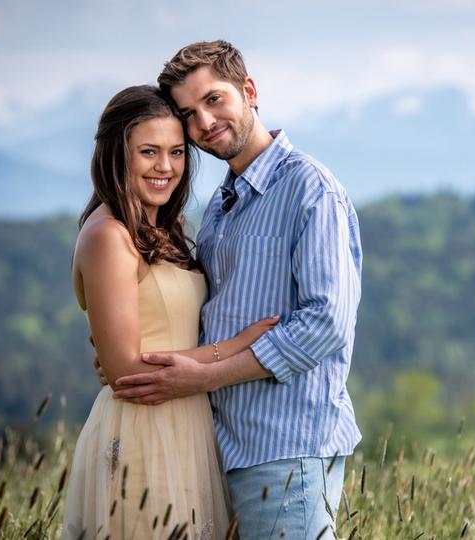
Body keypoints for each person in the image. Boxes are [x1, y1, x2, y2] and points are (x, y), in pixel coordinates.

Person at [107, 41, 363, 539]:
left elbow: (325, 323)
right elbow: (210, 314)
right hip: (219, 446)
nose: (203, 122)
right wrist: (137, 358)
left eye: (214, 99)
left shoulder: (309, 189)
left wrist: (205, 377)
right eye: (189, 113)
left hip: (285, 446)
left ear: (249, 91)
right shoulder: (223, 206)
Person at [62, 85, 278, 540]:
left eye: (177, 152)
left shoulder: (160, 230)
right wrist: (238, 347)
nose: (166, 167)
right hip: (144, 431)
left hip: (188, 426)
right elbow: (126, 370)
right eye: (148, 152)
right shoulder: (109, 237)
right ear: (115, 156)